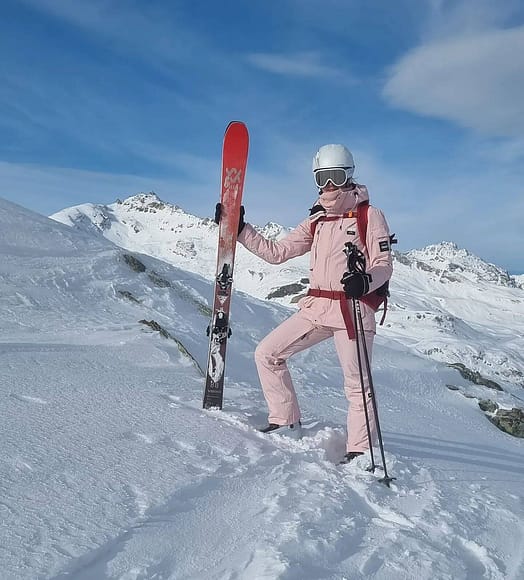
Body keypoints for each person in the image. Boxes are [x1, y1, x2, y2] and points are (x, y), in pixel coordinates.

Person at [236, 144, 393, 463]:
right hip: (317, 308)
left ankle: (360, 449)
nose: (330, 185)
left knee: (356, 382)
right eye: (323, 178)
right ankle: (284, 420)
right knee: (267, 353)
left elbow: (383, 263)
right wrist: (241, 230)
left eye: (336, 176)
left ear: (349, 176)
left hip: (352, 309)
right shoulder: (316, 220)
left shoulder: (369, 215)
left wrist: (365, 280)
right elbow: (276, 253)